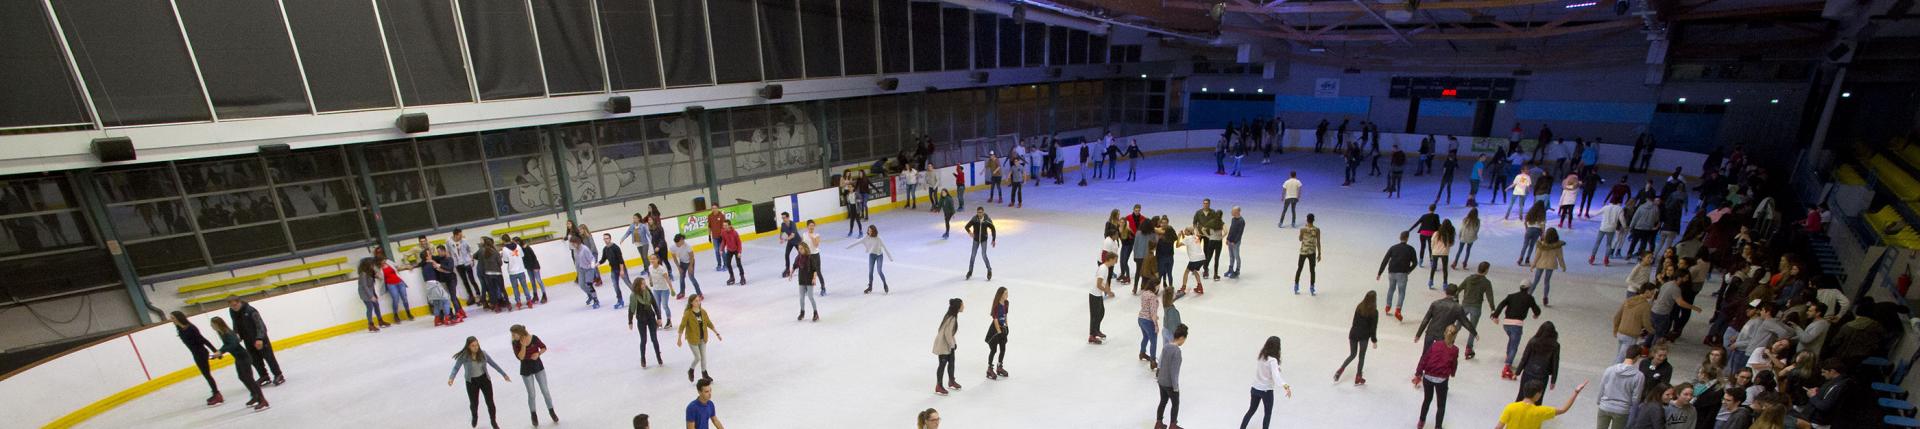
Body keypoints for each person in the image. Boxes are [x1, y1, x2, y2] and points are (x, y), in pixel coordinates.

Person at [208, 317, 268, 411]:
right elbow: (228, 344)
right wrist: (220, 352)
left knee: (249, 379)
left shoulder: (228, 333)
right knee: (242, 377)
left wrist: (221, 351)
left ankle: (262, 400)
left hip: (244, 357)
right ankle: (255, 395)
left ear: (217, 324)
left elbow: (233, 343)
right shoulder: (222, 333)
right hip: (239, 358)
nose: (211, 326)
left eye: (212, 324)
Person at [448, 336, 508, 428]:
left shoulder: (483, 354)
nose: (476, 347)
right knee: (474, 403)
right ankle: (474, 416)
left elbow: (493, 364)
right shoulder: (464, 356)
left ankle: (493, 421)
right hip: (471, 382)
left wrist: (503, 374)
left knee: (490, 402)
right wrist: (451, 377)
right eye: (473, 346)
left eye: (477, 345)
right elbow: (456, 367)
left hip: (484, 380)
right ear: (468, 346)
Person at [227, 297, 285, 386]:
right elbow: (235, 323)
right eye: (231, 306)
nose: (233, 307)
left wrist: (260, 339)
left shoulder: (250, 311)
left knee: (269, 357)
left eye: (235, 305)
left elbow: (260, 325)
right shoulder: (232, 312)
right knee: (255, 359)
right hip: (247, 339)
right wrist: (236, 333)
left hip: (259, 338)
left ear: (240, 302)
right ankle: (264, 376)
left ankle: (278, 374)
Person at [509, 325, 559, 426]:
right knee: (531, 394)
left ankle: (552, 411)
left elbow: (544, 347)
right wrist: (523, 345)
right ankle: (533, 415)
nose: (513, 336)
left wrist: (538, 354)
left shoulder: (534, 338)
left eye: (514, 334)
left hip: (538, 367)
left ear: (520, 332)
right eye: (512, 334)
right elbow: (521, 357)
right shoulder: (515, 343)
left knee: (545, 391)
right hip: (526, 369)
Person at [1240, 336, 1293, 429]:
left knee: (1251, 410)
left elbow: (1266, 369)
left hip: (1255, 388)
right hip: (1266, 391)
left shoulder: (1262, 355)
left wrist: (1276, 367)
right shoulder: (1273, 360)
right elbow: (1276, 377)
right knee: (1267, 414)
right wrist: (1286, 385)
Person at [171, 311, 222, 406]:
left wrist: (215, 351)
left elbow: (203, 340)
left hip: (201, 353)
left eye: (173, 318)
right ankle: (215, 393)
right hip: (196, 354)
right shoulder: (180, 329)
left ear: (178, 318)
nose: (172, 320)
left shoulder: (191, 328)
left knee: (207, 375)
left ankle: (217, 394)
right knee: (206, 375)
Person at [1415, 325, 1461, 429]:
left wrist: (1418, 372)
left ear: (1444, 333)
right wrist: (1453, 373)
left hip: (1428, 377)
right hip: (1441, 380)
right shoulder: (1455, 350)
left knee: (1427, 399)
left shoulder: (1435, 345)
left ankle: (1421, 421)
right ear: (1455, 336)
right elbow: (1454, 363)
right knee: (1441, 405)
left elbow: (1425, 358)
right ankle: (1438, 426)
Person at [1493, 283, 1543, 378]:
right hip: (1516, 325)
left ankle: (1508, 359)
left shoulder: (1511, 296)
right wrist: (1536, 315)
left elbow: (1501, 305)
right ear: (1528, 288)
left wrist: (1495, 316)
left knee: (1511, 341)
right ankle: (1507, 366)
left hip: (1506, 324)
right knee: (1514, 346)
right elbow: (1536, 310)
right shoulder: (1529, 298)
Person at [1497, 379, 1589, 429]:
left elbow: (1498, 427)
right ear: (1537, 394)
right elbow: (1563, 409)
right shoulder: (1541, 411)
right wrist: (1576, 392)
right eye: (1541, 393)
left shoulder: (1511, 407)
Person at [1598, 345, 1649, 429]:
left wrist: (1599, 401)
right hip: (1622, 409)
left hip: (1605, 405)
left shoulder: (1610, 370)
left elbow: (1602, 387)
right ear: (1638, 357)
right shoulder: (1639, 376)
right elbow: (1636, 397)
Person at [1335, 291, 1380, 385]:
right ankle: (1358, 376)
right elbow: (1373, 328)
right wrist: (1374, 340)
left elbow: (1354, 321)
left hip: (1354, 334)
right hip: (1364, 336)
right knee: (1361, 356)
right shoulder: (1374, 312)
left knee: (1352, 355)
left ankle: (1340, 370)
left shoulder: (1359, 307)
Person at [676, 294, 723, 382]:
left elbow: (709, 323)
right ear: (691, 302)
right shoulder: (688, 313)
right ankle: (691, 370)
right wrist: (679, 338)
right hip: (693, 339)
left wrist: (717, 333)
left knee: (704, 357)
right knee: (697, 357)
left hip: (703, 338)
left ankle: (704, 374)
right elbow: (682, 326)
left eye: (699, 300)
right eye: (696, 301)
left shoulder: (703, 312)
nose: (698, 302)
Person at [1513, 321, 1562, 400]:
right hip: (1542, 375)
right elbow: (1555, 363)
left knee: (1522, 396)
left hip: (1528, 372)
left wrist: (1517, 373)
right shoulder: (1555, 345)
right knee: (1538, 399)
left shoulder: (1533, 341)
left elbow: (1524, 358)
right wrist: (1553, 380)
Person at [1457, 262, 1495, 359]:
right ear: (1486, 270)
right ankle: (1469, 348)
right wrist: (1493, 310)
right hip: (1476, 307)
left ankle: (1449, 341)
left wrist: (1455, 301)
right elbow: (1490, 297)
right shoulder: (1486, 282)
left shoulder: (1469, 279)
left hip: (1464, 305)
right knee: (1472, 328)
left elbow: (1458, 289)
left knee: (1458, 325)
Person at [1377, 231, 1419, 320]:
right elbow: (1415, 263)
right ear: (1407, 238)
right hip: (1402, 273)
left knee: (1391, 289)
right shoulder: (1411, 249)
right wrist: (1409, 270)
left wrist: (1379, 273)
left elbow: (1385, 260)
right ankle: (1398, 310)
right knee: (1401, 292)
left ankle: (1388, 306)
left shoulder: (1393, 248)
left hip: (1392, 272)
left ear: (1400, 237)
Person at [1156, 324, 1190, 429]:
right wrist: (1175, 387)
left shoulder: (1166, 346)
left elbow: (1160, 361)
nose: (1184, 342)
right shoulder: (1177, 352)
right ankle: (1173, 425)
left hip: (1161, 381)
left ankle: (1158, 423)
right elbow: (1174, 371)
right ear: (1181, 338)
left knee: (1163, 401)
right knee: (1175, 404)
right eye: (1184, 339)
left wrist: (1158, 374)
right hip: (1170, 384)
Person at [627, 278, 665, 368]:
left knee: (654, 339)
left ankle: (659, 357)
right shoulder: (633, 296)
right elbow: (631, 309)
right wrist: (630, 321)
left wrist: (659, 317)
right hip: (641, 320)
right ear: (638, 286)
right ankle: (643, 359)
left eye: (644, 283)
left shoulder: (648, 292)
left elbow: (655, 305)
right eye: (642, 284)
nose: (644, 285)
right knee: (643, 340)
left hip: (651, 318)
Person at [848, 225, 894, 293]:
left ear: (873, 231)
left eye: (870, 231)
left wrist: (890, 257)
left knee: (879, 271)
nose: (868, 232)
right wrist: (848, 246)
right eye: (868, 230)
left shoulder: (879, 238)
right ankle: (870, 287)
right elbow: (858, 242)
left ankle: (885, 284)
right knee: (870, 272)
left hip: (879, 256)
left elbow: (885, 247)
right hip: (871, 255)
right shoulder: (867, 237)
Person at [1529, 228, 1567, 305]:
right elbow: (1560, 257)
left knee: (1536, 281)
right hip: (1551, 264)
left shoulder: (1542, 245)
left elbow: (1537, 256)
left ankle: (1528, 295)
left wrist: (1533, 265)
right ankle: (1545, 297)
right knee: (1547, 281)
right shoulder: (1558, 246)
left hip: (1541, 264)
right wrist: (1563, 266)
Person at [933, 298, 963, 395]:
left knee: (951, 363)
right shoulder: (952, 318)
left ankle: (951, 381)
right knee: (942, 365)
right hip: (943, 345)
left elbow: (950, 333)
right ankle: (939, 386)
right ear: (958, 307)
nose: (964, 306)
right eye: (962, 305)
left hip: (948, 344)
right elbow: (947, 333)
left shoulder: (950, 316)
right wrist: (952, 345)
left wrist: (953, 343)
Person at [984, 287, 1011, 380]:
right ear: (1001, 295)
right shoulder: (996, 305)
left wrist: (1007, 327)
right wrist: (999, 331)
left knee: (1003, 348)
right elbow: (995, 319)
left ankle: (999, 366)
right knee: (994, 350)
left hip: (1002, 328)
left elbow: (1005, 315)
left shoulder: (1006, 303)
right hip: (995, 330)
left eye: (1007, 293)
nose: (1007, 295)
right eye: (1005, 293)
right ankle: (989, 368)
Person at [568, 235, 602, 308]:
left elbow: (592, 258)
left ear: (577, 242)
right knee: (581, 285)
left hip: (588, 269)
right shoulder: (575, 250)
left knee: (588, 284)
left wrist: (593, 265)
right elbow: (577, 261)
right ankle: (590, 296)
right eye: (572, 243)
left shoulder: (585, 249)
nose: (572, 245)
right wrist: (577, 270)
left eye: (573, 243)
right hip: (581, 270)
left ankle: (596, 300)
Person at [356, 258, 389, 332]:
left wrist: (374, 294)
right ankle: (370, 325)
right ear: (367, 265)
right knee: (370, 307)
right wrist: (371, 296)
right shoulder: (363, 274)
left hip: (371, 291)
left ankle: (380, 321)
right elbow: (364, 286)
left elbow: (377, 279)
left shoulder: (370, 272)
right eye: (371, 264)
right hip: (364, 293)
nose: (372, 265)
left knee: (376, 305)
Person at [378, 258, 416, 322]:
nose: (384, 261)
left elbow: (398, 266)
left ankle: (408, 313)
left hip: (399, 282)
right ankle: (395, 315)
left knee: (404, 298)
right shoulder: (379, 269)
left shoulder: (389, 262)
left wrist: (407, 266)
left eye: (384, 259)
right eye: (382, 260)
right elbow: (379, 276)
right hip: (391, 285)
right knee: (395, 299)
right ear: (379, 262)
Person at [1090, 253, 1116, 344]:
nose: (1116, 262)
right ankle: (1092, 335)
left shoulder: (1106, 268)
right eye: (1115, 259)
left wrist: (1109, 291)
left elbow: (1106, 282)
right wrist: (1107, 292)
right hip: (1094, 294)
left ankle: (1096, 330)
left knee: (1101, 312)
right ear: (1110, 259)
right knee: (1095, 315)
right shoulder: (1103, 269)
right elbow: (1098, 284)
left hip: (1098, 294)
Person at [964, 207, 997, 281]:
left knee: (983, 255)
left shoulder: (987, 220)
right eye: (978, 212)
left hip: (983, 240)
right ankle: (970, 271)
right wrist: (970, 232)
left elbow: (993, 229)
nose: (979, 214)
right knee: (973, 255)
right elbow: (966, 226)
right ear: (977, 212)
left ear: (983, 212)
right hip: (976, 240)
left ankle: (989, 270)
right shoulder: (974, 219)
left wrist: (993, 239)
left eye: (981, 212)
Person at [600, 234, 630, 309]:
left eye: (607, 238)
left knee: (628, 283)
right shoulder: (605, 249)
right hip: (613, 270)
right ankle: (620, 300)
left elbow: (621, 260)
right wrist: (597, 264)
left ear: (610, 239)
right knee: (615, 285)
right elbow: (603, 259)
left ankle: (638, 296)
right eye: (604, 239)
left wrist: (622, 270)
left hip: (621, 268)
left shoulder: (616, 248)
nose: (606, 240)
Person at [1139, 276, 1162, 370]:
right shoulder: (1152, 296)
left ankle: (1142, 353)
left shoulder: (1144, 293)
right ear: (1154, 286)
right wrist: (1156, 325)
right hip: (1148, 321)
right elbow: (1152, 312)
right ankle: (1153, 361)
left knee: (1145, 337)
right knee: (1153, 340)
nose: (1158, 288)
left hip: (1141, 318)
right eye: (1158, 286)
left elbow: (1145, 307)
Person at [1595, 197, 1627, 265]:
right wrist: (1625, 227)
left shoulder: (1606, 207)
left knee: (1597, 243)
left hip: (1603, 227)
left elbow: (1597, 213)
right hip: (1611, 229)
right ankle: (1606, 259)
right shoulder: (1619, 209)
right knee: (1608, 244)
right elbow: (1622, 219)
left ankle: (1592, 258)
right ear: (1619, 202)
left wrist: (1590, 217)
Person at [1295, 214, 1321, 295]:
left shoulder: (1303, 229)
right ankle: (1312, 287)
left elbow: (1300, 239)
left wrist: (1302, 233)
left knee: (1299, 268)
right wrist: (1319, 253)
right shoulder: (1317, 230)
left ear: (1307, 220)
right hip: (1312, 252)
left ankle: (1296, 286)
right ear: (1313, 220)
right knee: (1312, 270)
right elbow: (1318, 242)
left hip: (1303, 251)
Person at [1177, 227, 1208, 295]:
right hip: (1202, 258)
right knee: (1194, 271)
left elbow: (1177, 245)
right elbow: (1186, 241)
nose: (1184, 231)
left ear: (1188, 232)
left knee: (1186, 272)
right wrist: (1183, 234)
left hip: (1194, 259)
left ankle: (1183, 288)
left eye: (1185, 230)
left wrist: (1178, 237)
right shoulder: (1195, 237)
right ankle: (1200, 287)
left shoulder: (1187, 238)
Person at [672, 234, 702, 299]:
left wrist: (690, 266)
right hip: (682, 263)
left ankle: (699, 293)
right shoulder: (673, 247)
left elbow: (691, 256)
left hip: (690, 262)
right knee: (681, 278)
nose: (677, 244)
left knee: (691, 278)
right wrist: (678, 267)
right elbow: (674, 258)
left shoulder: (687, 246)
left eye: (683, 240)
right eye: (676, 243)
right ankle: (682, 292)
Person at [1429, 220, 1455, 288]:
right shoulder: (1450, 234)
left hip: (1435, 252)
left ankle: (1430, 281)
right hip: (1444, 253)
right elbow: (1451, 244)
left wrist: (1432, 250)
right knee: (1445, 268)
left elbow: (1432, 242)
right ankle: (1445, 283)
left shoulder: (1437, 233)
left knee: (1433, 267)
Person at [1226, 207, 1246, 278]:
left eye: (1233, 211)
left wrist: (1234, 241)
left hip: (1236, 242)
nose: (1231, 212)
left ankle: (1237, 271)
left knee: (1236, 256)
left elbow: (1239, 233)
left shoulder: (1241, 221)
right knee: (1231, 256)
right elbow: (1231, 229)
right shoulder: (1233, 219)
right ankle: (1230, 269)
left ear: (1238, 212)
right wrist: (1228, 239)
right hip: (1230, 241)